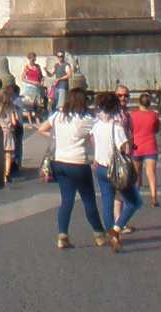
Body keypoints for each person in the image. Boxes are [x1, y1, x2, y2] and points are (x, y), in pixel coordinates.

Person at [37, 86, 106, 251]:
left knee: (66, 200)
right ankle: (100, 235)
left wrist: (56, 137)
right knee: (88, 200)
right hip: (78, 162)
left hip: (60, 161)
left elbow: (42, 128)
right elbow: (96, 137)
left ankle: (62, 236)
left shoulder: (58, 115)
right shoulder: (86, 119)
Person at [90, 91, 139, 247]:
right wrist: (129, 141)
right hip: (116, 169)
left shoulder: (96, 125)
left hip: (100, 167)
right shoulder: (116, 127)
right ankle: (116, 230)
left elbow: (94, 142)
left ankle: (112, 236)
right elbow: (126, 149)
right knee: (134, 202)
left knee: (107, 204)